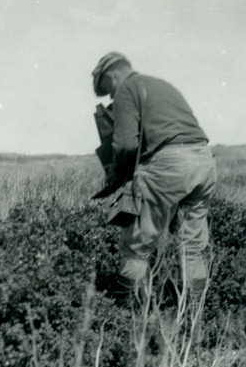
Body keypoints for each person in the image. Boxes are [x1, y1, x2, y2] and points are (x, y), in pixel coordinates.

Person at [91, 52, 217, 309]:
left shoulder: (127, 88)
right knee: (191, 248)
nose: (112, 97)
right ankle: (194, 327)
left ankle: (125, 323)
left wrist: (118, 172)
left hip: (170, 164)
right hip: (204, 162)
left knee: (136, 246)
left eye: (109, 91)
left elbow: (126, 144)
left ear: (112, 76)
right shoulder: (161, 85)